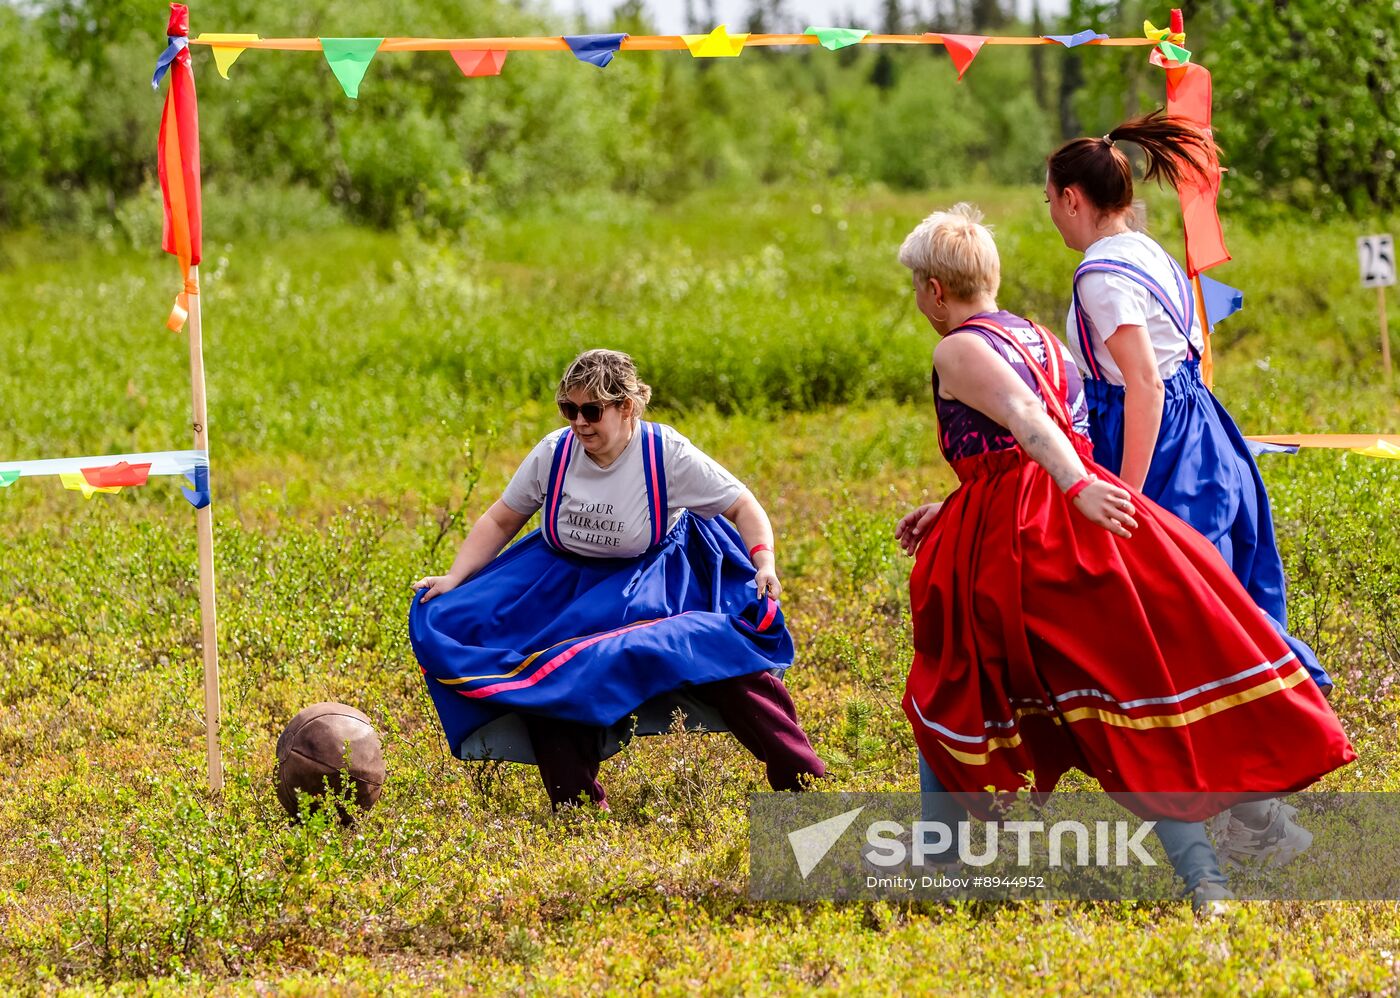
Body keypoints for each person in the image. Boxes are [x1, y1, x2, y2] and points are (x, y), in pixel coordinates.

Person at [894, 204, 1353, 913]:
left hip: (1022, 541)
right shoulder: (1041, 336)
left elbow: (1024, 420)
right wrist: (955, 503)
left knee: (950, 684)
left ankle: (937, 867)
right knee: (1120, 703)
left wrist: (1073, 488)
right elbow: (1017, 451)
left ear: (932, 287)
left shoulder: (954, 347)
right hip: (1054, 517)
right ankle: (1206, 882)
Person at [1044, 110, 1333, 860]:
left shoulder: (1100, 274)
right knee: (1218, 622)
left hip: (1164, 456)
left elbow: (1140, 384)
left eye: (1050, 199)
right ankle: (1253, 815)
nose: (1051, 214)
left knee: (1183, 637)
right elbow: (1183, 366)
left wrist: (1129, 496)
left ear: (1074, 197)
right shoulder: (1147, 250)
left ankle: (1254, 812)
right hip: (1207, 441)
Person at [409, 349, 825, 809]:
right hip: (563, 584)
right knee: (555, 675)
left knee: (714, 654)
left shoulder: (664, 452)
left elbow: (742, 506)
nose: (579, 423)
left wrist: (763, 562)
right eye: (569, 410)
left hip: (657, 581)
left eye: (591, 410)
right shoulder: (555, 452)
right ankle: (579, 808)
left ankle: (801, 779)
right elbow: (501, 519)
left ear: (626, 407)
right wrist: (455, 576)